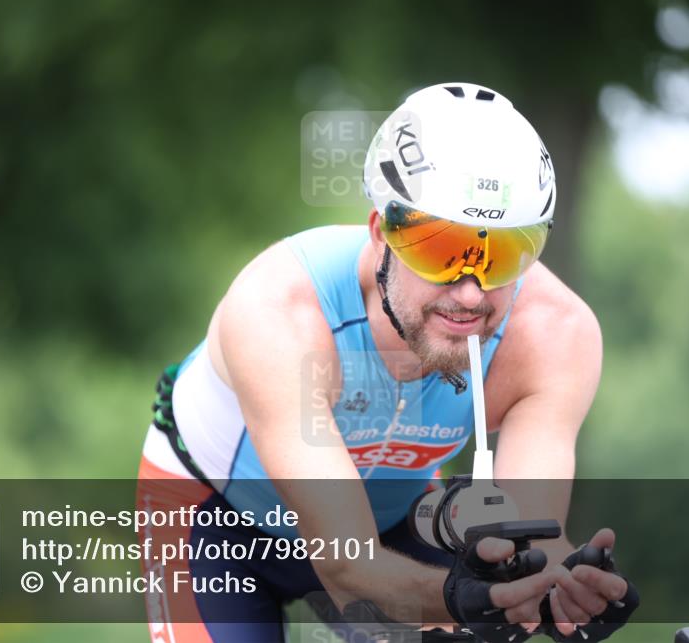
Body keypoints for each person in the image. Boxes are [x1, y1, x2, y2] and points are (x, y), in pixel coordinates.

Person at [137, 82, 637, 643]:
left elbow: (530, 540)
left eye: (500, 256)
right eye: (441, 251)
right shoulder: (281, 311)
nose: (470, 294)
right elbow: (346, 567)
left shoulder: (553, 334)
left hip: (392, 524)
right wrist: (457, 598)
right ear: (382, 235)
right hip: (214, 521)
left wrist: (561, 589)